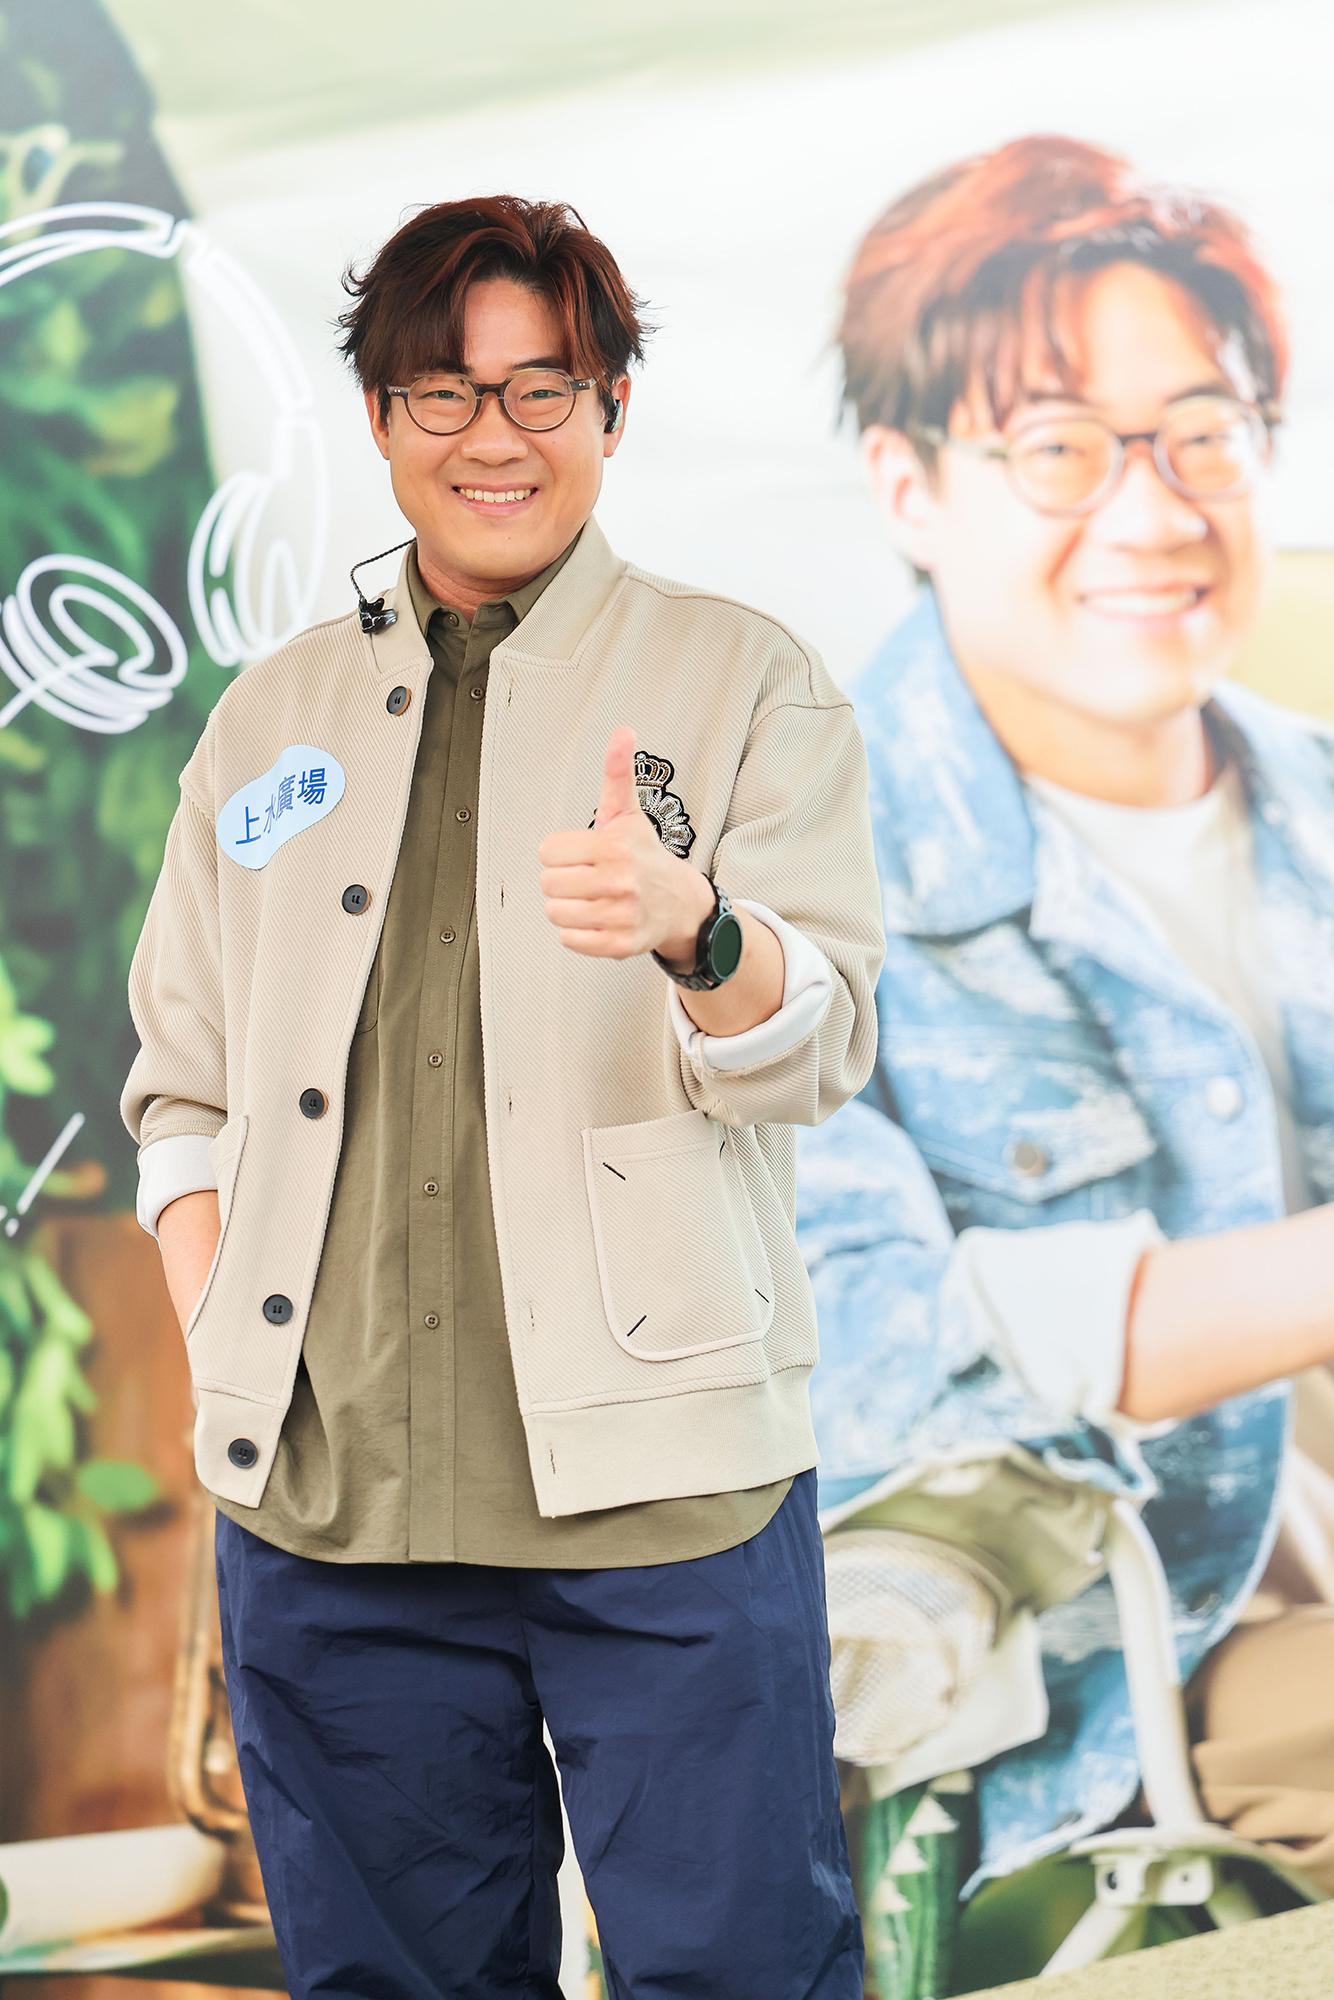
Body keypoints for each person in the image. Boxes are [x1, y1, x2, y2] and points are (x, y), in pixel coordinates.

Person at [119, 195, 884, 1999]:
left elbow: (823, 1041)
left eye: (543, 389)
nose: (494, 437)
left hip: (666, 1489)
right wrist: (222, 1316)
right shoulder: (272, 718)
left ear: (611, 409)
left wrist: (699, 934)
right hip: (334, 1506)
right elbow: (181, 1085)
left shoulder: (743, 676)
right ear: (379, 417)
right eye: (443, 393)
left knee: (742, 1970)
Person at [797, 133, 1334, 1904]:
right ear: (906, 485)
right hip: (1116, 1691)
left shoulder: (1320, 804)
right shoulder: (770, 893)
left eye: (1202, 432)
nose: (1154, 511)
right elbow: (857, 1366)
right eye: (1056, 448)